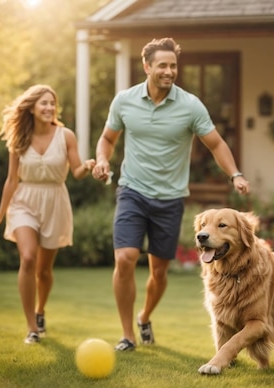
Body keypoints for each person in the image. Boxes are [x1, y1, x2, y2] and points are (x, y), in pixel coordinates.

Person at [92, 37, 250, 352]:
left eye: (173, 65)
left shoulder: (190, 105)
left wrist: (235, 173)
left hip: (170, 200)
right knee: (124, 258)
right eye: (162, 65)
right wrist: (101, 160)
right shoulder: (124, 101)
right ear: (147, 67)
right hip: (133, 192)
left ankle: (145, 316)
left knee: (159, 272)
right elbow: (107, 139)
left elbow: (216, 144)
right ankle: (127, 335)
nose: (169, 71)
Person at [0, 85, 95, 344]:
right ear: (32, 107)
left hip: (55, 201)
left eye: (52, 103)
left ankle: (40, 309)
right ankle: (32, 327)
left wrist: (87, 166)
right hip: (24, 201)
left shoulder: (65, 135)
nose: (48, 108)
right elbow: (11, 180)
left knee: (44, 271)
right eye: (43, 103)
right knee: (28, 258)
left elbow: (76, 171)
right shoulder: (19, 138)